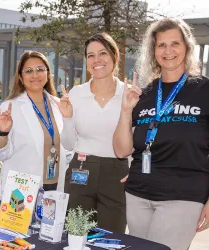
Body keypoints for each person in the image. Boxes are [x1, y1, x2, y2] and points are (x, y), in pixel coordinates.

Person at [113, 18, 209, 250]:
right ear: (153, 51)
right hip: (138, 194)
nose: (168, 51)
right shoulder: (145, 94)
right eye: (161, 45)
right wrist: (125, 111)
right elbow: (121, 150)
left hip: (184, 195)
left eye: (175, 44)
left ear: (187, 47)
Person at [56, 33, 129, 233]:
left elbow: (139, 139)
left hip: (118, 173)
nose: (97, 60)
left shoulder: (129, 94)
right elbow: (69, 144)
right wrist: (68, 118)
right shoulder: (76, 93)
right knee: (76, 236)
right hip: (80, 169)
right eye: (91, 55)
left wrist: (135, 169)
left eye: (103, 53)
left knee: (111, 239)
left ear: (114, 56)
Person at [0, 51, 68, 199]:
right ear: (21, 78)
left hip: (54, 189)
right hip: (21, 190)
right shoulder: (9, 107)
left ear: (48, 73)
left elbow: (69, 145)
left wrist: (70, 118)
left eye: (40, 69)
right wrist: (3, 132)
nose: (35, 75)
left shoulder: (59, 105)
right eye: (29, 71)